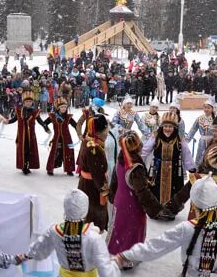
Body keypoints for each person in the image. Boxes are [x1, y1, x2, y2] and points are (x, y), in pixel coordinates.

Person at [108, 133, 173, 262]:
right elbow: (142, 192)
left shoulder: (120, 161)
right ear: (138, 146)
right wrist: (156, 209)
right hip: (132, 204)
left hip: (120, 201)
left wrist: (112, 196)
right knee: (131, 230)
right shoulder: (135, 167)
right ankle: (128, 258)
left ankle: (115, 252)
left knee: (120, 228)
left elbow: (114, 183)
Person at [144, 112, 196, 206]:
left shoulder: (179, 139)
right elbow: (146, 149)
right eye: (165, 126)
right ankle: (157, 208)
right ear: (162, 126)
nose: (167, 129)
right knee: (156, 188)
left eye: (170, 127)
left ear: (174, 127)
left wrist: (191, 167)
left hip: (174, 170)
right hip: (158, 168)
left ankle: (171, 209)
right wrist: (137, 158)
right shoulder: (156, 137)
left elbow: (186, 153)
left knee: (174, 190)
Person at [78, 114, 110, 232]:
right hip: (92, 188)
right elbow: (97, 174)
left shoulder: (89, 140)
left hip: (86, 184)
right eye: (106, 129)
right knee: (93, 220)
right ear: (100, 131)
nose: (107, 132)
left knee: (86, 215)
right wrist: (105, 191)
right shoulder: (94, 148)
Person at [6, 91, 49, 175]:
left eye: (30, 101)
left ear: (32, 102)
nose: (28, 103)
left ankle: (28, 165)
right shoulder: (19, 111)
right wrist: (7, 122)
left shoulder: (34, 112)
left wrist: (45, 127)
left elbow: (40, 121)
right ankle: (24, 166)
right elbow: (14, 119)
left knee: (30, 150)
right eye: (26, 101)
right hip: (22, 135)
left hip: (31, 135)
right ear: (24, 102)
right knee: (23, 150)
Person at [42, 97, 78, 176]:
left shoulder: (68, 117)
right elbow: (44, 123)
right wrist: (47, 129)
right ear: (58, 108)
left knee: (68, 153)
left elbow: (76, 125)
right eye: (62, 107)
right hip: (56, 139)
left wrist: (79, 133)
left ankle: (69, 170)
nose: (64, 108)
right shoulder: (53, 116)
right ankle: (50, 169)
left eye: (65, 107)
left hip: (67, 139)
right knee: (55, 153)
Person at [185, 101, 216, 168]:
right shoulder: (200, 118)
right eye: (205, 107)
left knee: (212, 156)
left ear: (212, 109)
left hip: (213, 141)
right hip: (202, 141)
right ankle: (198, 170)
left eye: (208, 108)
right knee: (200, 156)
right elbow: (193, 129)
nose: (206, 109)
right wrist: (187, 139)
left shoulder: (216, 118)